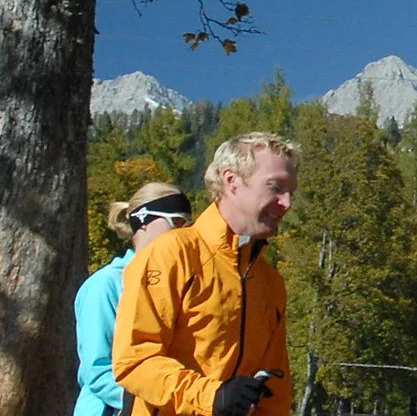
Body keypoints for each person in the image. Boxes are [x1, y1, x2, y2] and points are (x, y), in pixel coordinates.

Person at [114, 133, 298, 416]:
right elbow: (135, 361)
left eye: (291, 193)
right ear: (231, 180)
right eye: (275, 187)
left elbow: (276, 389)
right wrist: (212, 397)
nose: (286, 203)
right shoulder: (171, 255)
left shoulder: (270, 281)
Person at [74, 182, 193, 416]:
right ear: (144, 221)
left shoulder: (179, 285)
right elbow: (98, 372)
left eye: (189, 225)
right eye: (177, 221)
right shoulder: (104, 286)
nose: (184, 233)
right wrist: (160, 404)